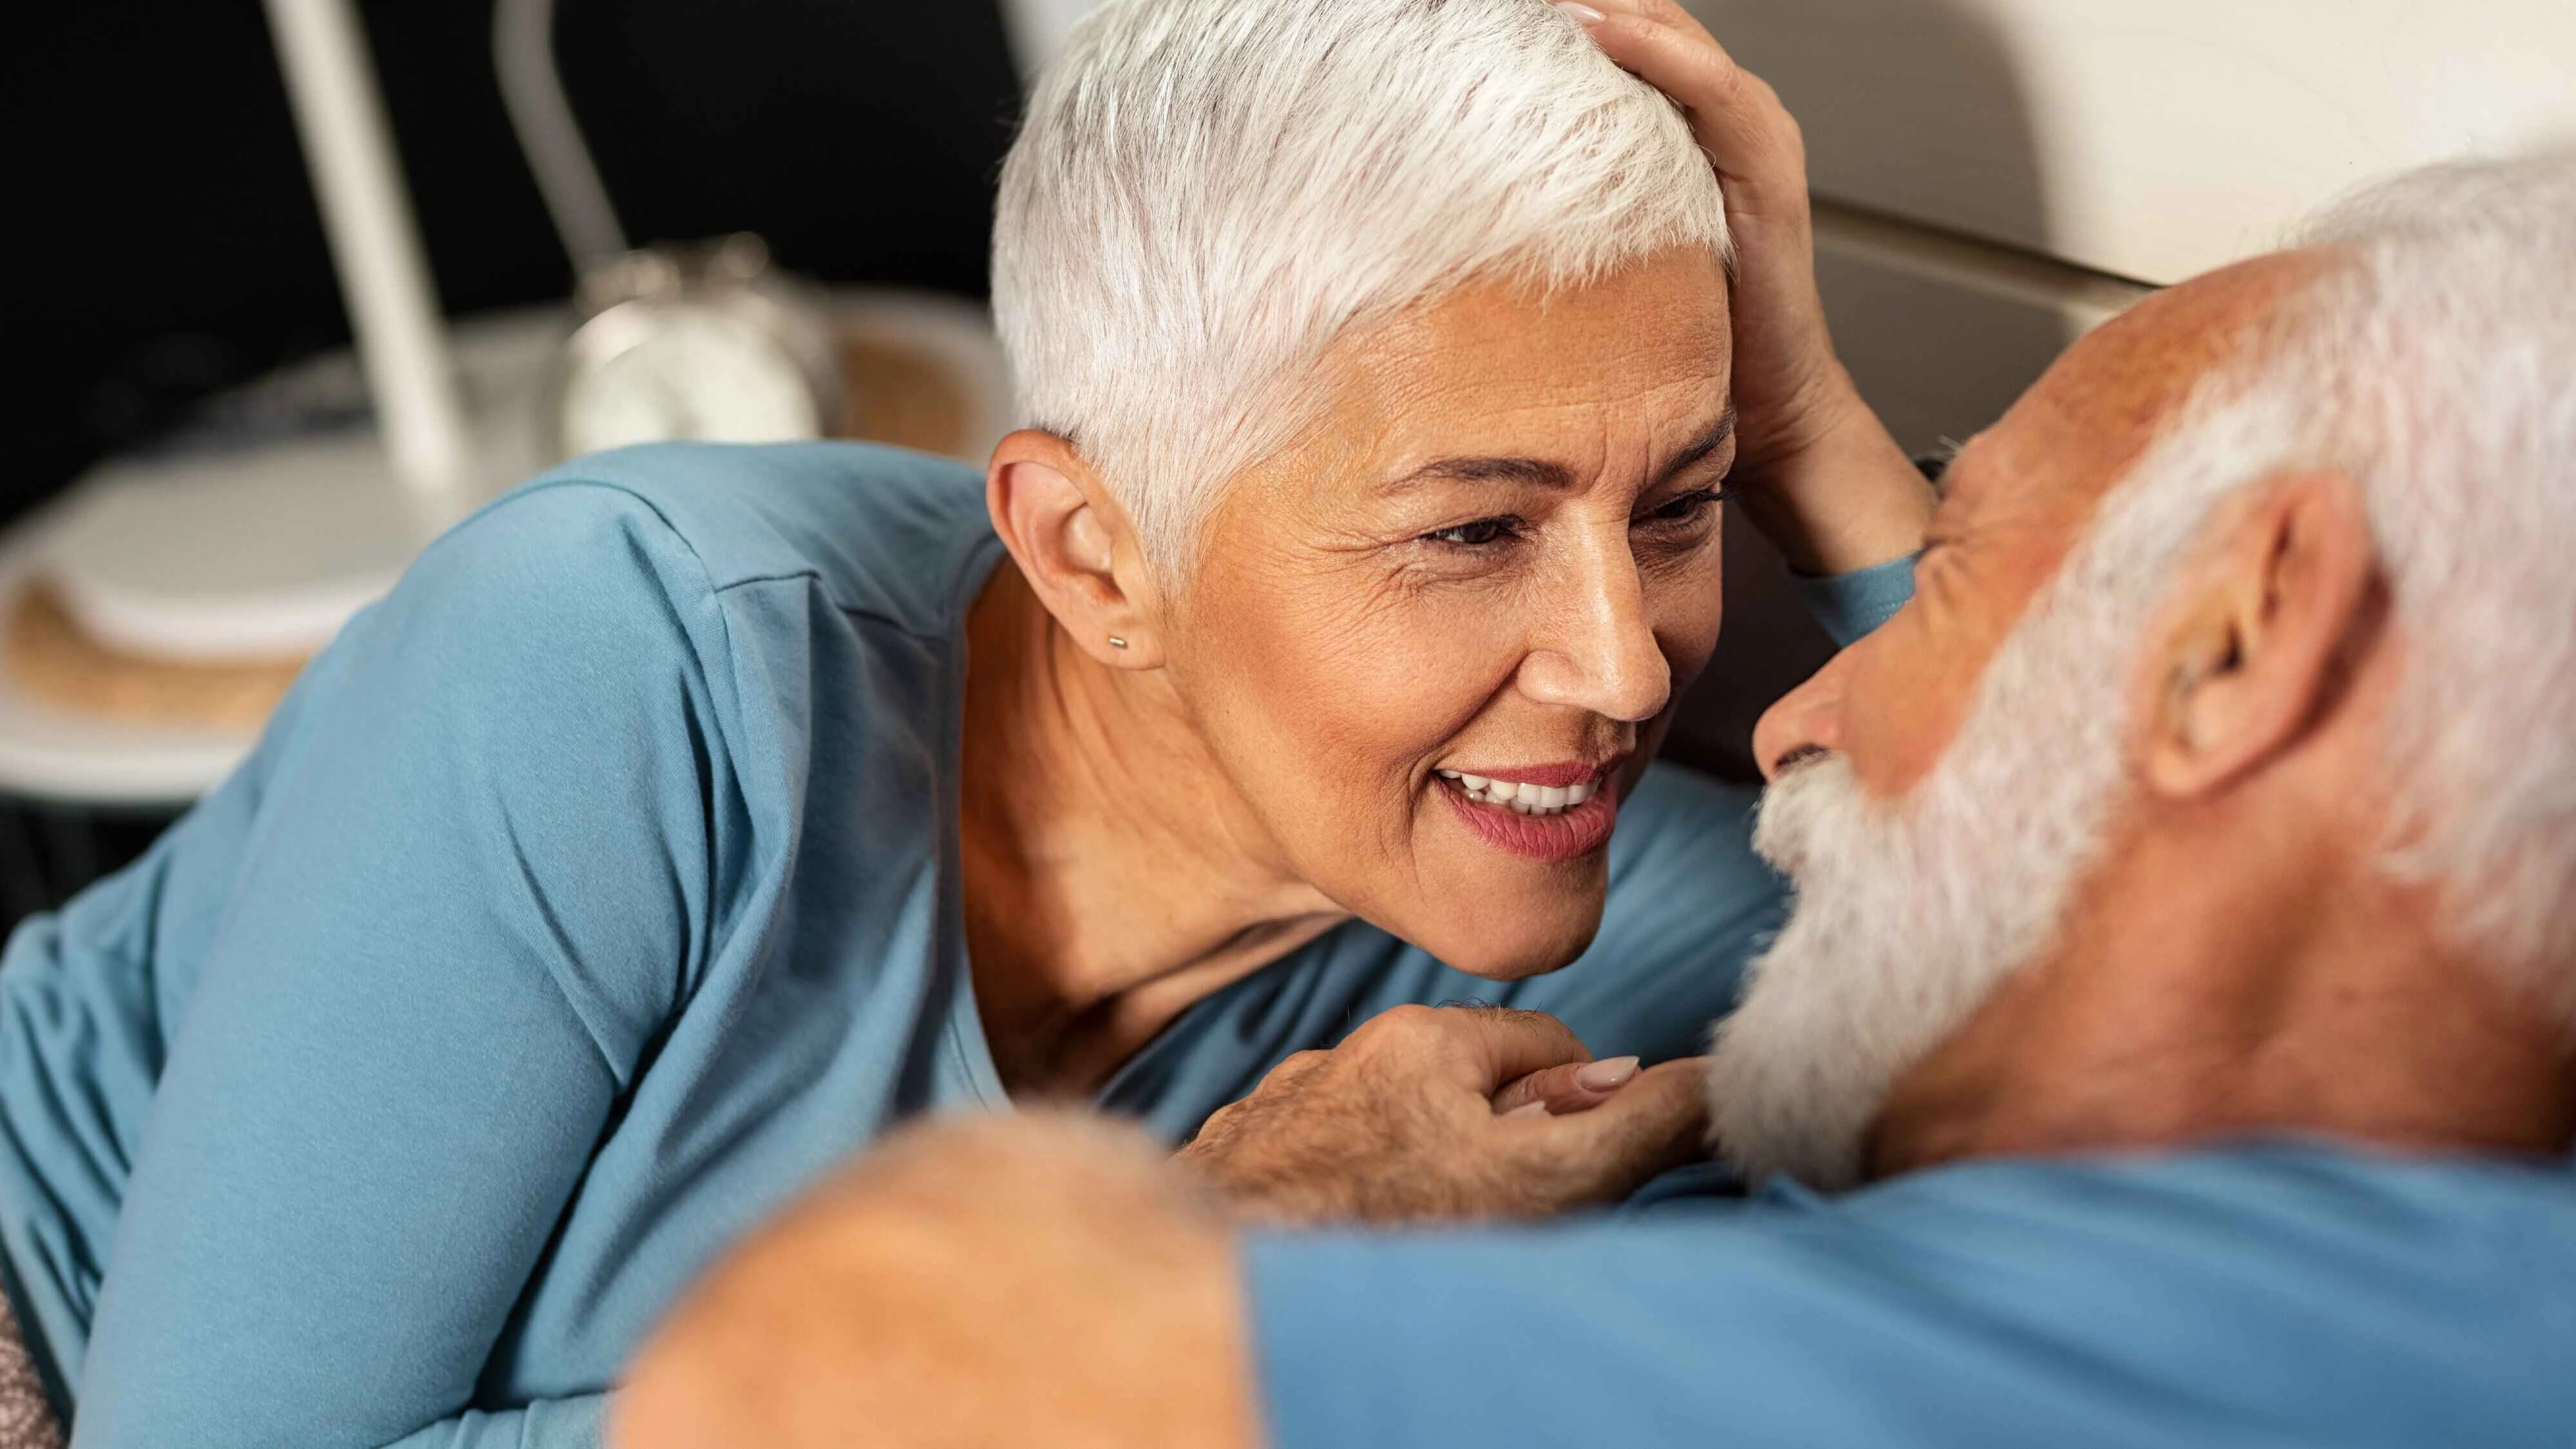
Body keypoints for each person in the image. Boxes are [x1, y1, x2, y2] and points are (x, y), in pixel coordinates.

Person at [0, 1, 1932, 1444]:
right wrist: (1169, 1262)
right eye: (1471, 531)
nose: (1625, 664)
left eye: (1676, 507)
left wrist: (1812, 437)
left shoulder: (1570, 911)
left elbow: (2125, 1057)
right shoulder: (625, 653)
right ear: (1095, 557)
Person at [613, 33, 2576, 1449]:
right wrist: (1799, 436)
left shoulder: (2159, 1329)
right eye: (1475, 528)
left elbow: (808, 1380)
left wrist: (1262, 1232)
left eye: (1953, 563)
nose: (1754, 708)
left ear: (2237, 644)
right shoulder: (2426, 1251)